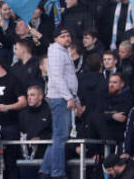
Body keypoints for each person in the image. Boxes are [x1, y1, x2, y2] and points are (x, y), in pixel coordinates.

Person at [40, 28, 79, 179]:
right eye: (63, 36)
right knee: (60, 137)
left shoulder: (62, 51)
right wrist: (68, 97)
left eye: (68, 35)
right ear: (56, 39)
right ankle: (57, 173)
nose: (67, 38)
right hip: (60, 98)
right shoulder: (56, 52)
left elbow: (68, 78)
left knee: (58, 135)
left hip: (63, 97)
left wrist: (75, 98)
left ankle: (45, 170)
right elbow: (56, 77)